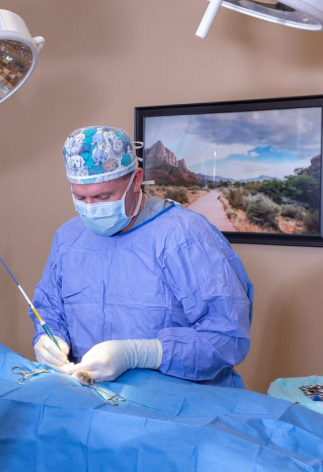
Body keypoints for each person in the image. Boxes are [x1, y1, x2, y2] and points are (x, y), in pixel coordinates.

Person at [31, 126, 254, 388]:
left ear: (136, 180)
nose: (91, 208)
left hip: (175, 406)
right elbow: (49, 306)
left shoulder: (186, 236)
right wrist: (49, 338)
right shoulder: (69, 237)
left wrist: (141, 353)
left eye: (104, 196)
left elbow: (227, 336)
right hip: (89, 401)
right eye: (80, 197)